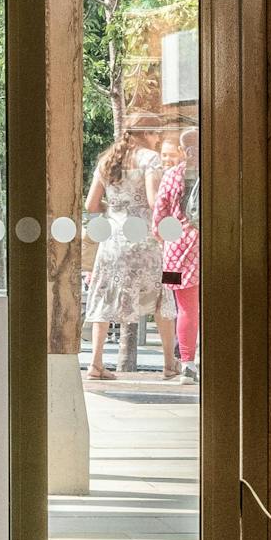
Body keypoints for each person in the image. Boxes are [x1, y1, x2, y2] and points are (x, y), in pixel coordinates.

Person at [82, 131, 167, 379]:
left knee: (104, 297)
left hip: (112, 241)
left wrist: (116, 207)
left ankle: (95, 363)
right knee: (163, 295)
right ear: (146, 133)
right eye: (155, 131)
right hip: (143, 240)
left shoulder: (108, 160)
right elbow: (154, 202)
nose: (159, 136)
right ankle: (170, 363)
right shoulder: (150, 159)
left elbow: (90, 205)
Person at [153, 122, 202, 380]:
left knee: (182, 307)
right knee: (201, 307)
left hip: (173, 254)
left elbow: (157, 220)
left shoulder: (171, 176)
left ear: (183, 150)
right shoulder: (215, 173)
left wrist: (165, 241)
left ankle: (186, 363)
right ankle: (192, 359)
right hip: (199, 246)